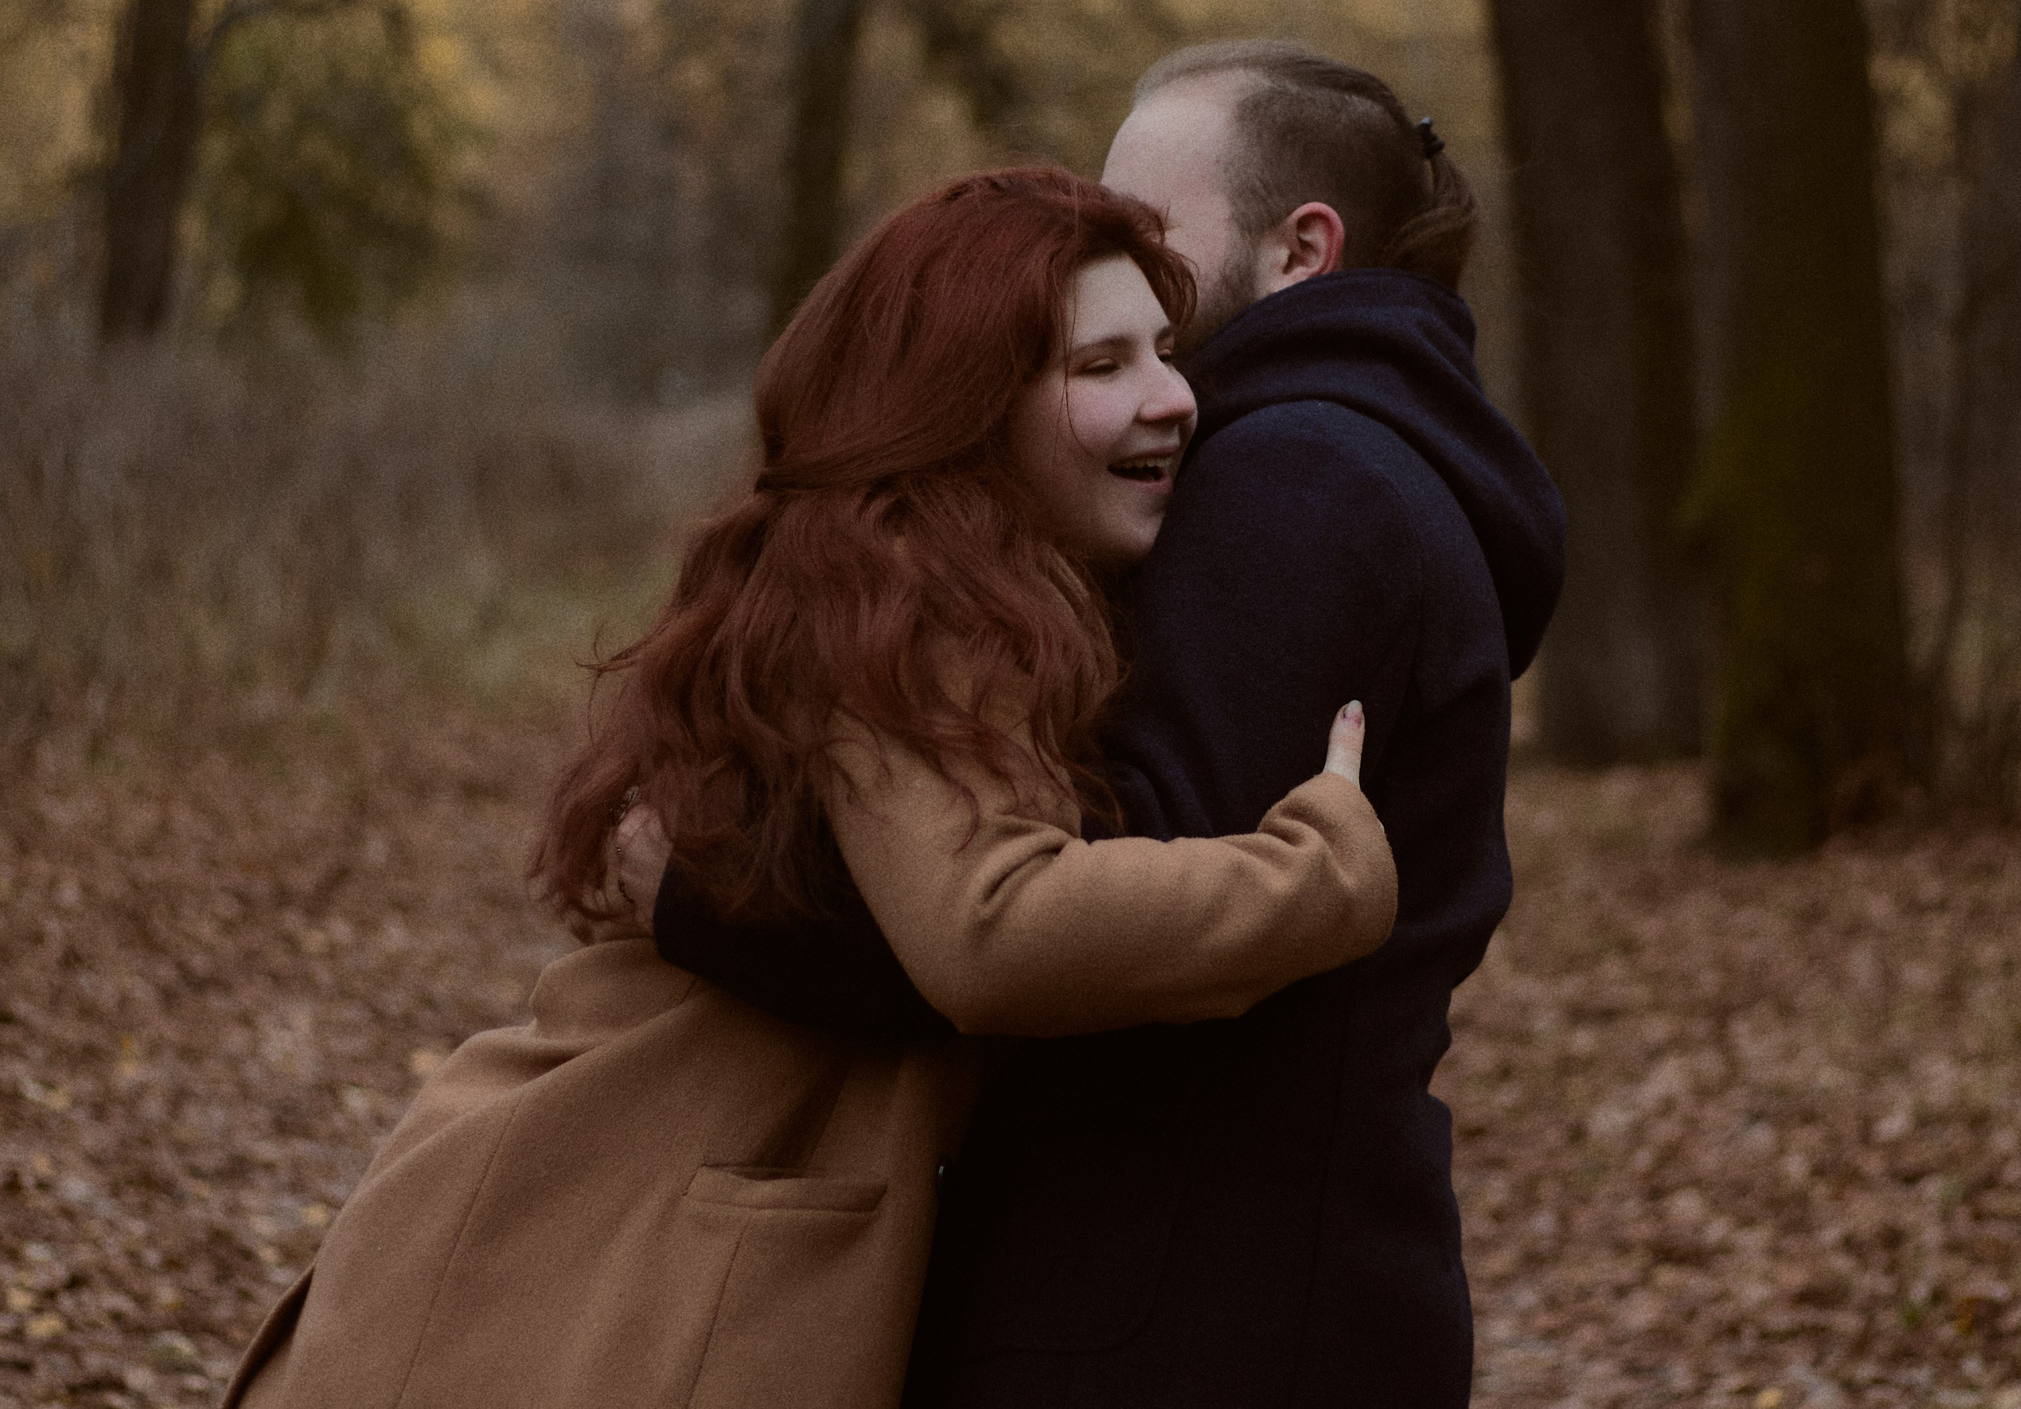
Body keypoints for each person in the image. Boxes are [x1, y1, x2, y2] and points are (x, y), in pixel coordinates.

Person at [217, 168, 1402, 1409]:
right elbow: (995, 931)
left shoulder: (921, 580)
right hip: (608, 1245)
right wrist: (1319, 869)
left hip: (609, 1218)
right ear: (968, 404)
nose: (1174, 398)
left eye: (1163, 351)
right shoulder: (917, 598)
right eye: (1100, 367)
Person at [650, 41, 1567, 1407]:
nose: (1112, 241)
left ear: (1301, 247)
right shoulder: (1362, 454)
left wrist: (696, 889)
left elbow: (1073, 906)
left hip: (1185, 1314)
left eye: (1151, 223)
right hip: (1245, 1288)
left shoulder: (1294, 476)